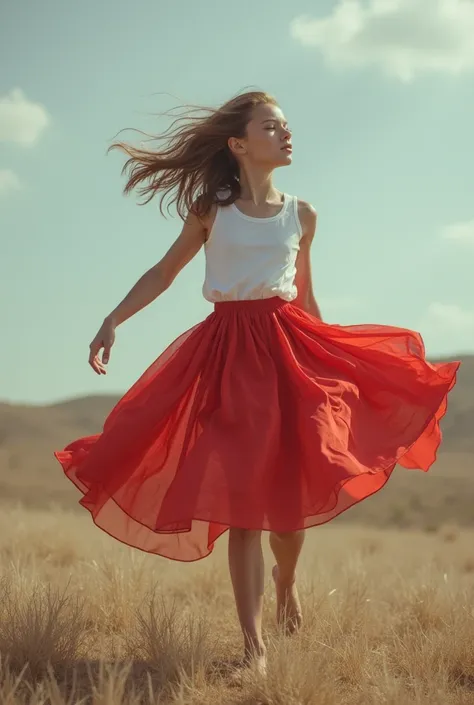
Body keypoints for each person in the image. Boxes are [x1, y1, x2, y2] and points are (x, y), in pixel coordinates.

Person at [54, 89, 460, 676]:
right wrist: (112, 319)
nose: (286, 134)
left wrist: (337, 365)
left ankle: (286, 581)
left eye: (286, 126)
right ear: (239, 144)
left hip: (290, 351)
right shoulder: (210, 210)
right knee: (243, 508)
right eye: (272, 126)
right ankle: (255, 648)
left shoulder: (304, 215)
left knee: (288, 516)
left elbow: (308, 296)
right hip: (226, 357)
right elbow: (164, 272)